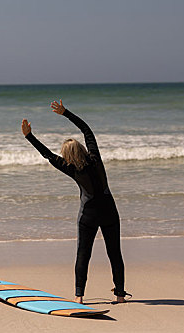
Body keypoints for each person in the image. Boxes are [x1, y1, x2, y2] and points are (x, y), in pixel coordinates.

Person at [21, 100, 130, 304]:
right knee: (114, 253)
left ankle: (79, 297)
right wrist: (65, 113)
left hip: (88, 215)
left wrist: (29, 137)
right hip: (109, 212)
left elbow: (48, 155)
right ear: (81, 148)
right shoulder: (95, 159)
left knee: (83, 254)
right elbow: (87, 130)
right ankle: (120, 295)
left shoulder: (69, 167)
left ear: (68, 155)